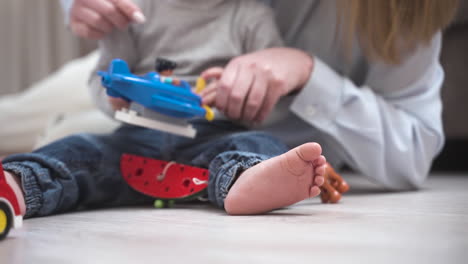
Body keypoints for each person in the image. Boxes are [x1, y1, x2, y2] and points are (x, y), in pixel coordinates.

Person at [0, 0, 328, 220]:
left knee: (259, 144)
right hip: (137, 134)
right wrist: (114, 99)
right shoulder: (134, 10)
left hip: (215, 135)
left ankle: (247, 181)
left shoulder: (252, 15)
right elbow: (102, 79)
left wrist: (238, 94)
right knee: (79, 148)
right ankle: (18, 182)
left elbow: (272, 101)